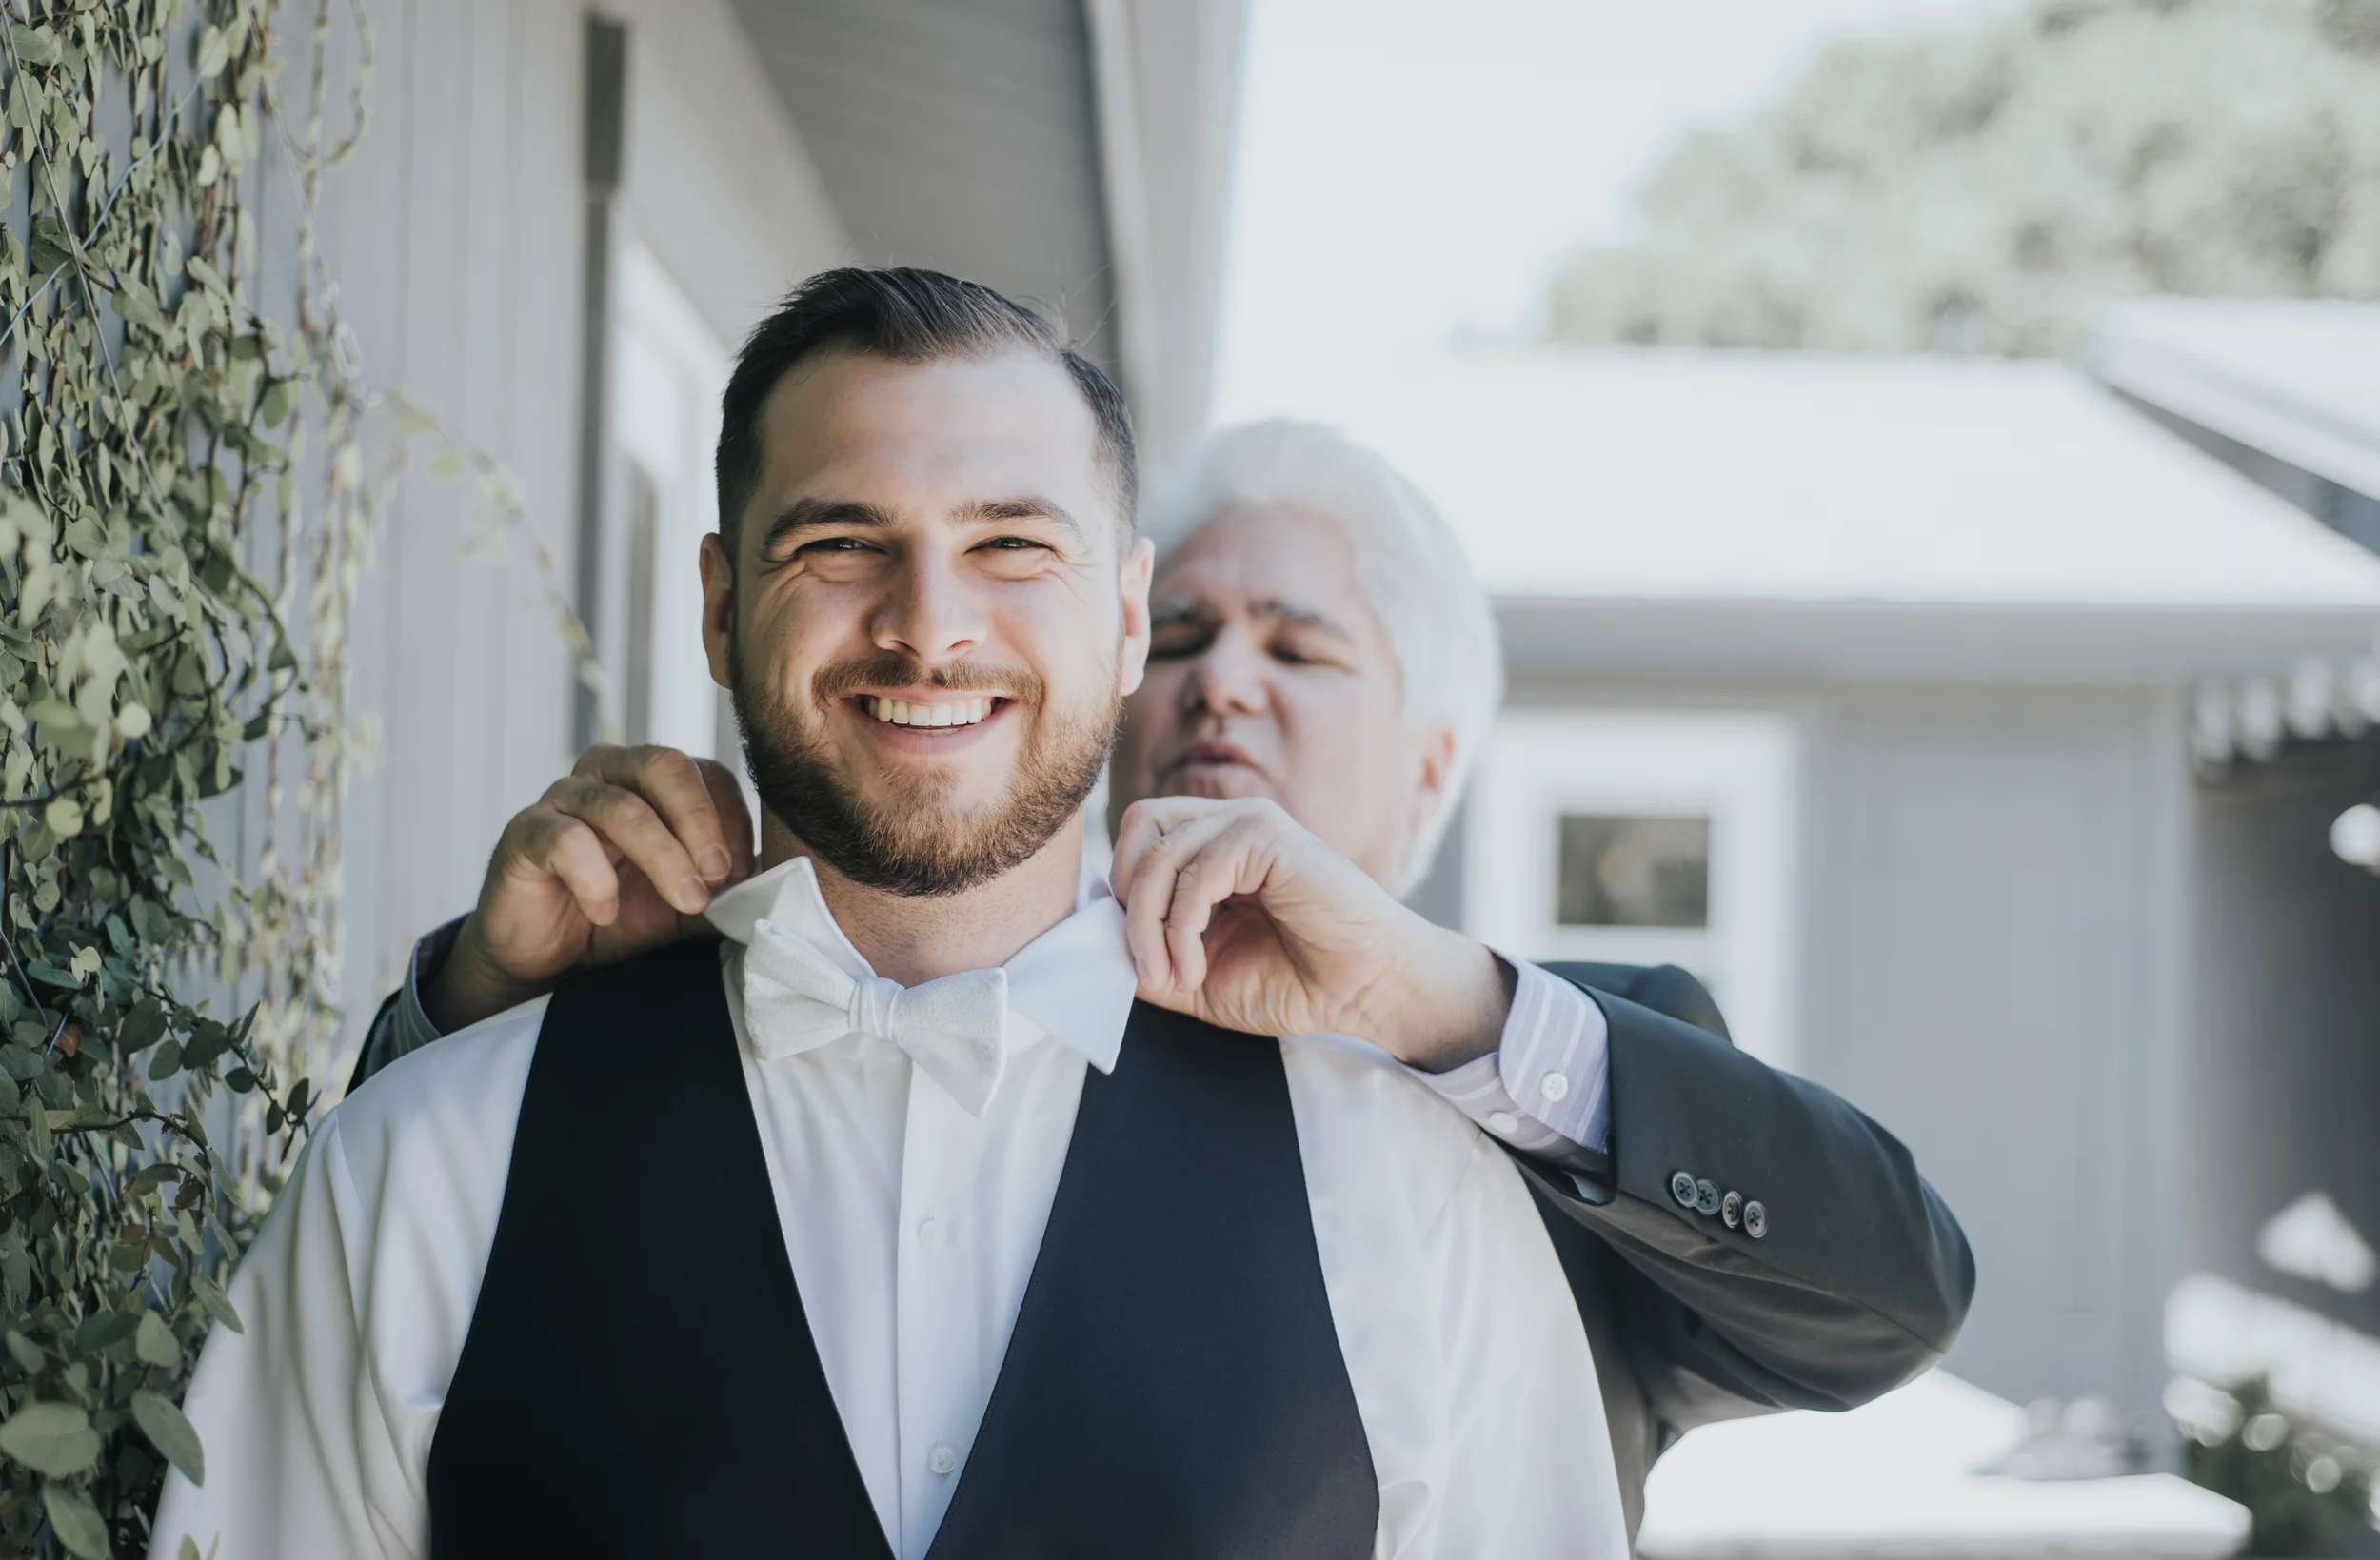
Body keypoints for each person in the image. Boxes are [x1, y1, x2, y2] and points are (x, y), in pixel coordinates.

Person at [158, 268, 1641, 1559]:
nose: (930, 623)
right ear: (721, 608)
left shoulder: (1407, 1189)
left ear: (1127, 617)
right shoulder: (428, 1160)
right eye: (839, 543)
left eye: (1012, 545)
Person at [339, 414, 1974, 1542]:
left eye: (1300, 645)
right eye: (1177, 636)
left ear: (1433, 763)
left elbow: (1893, 1293)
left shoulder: (1555, 1065)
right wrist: (480, 1019)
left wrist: (1444, 1015)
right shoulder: (822, 1001)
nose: (1221, 687)